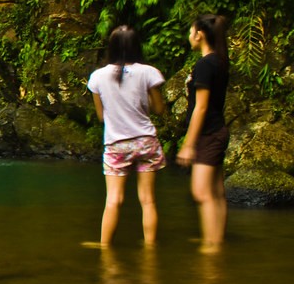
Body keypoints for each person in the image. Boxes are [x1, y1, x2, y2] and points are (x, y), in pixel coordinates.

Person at [87, 25, 166, 246]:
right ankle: (150, 248)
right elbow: (159, 109)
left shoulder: (97, 78)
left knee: (113, 200)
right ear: (136, 47)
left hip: (116, 144)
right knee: (148, 200)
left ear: (111, 48)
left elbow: (102, 117)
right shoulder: (149, 72)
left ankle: (105, 248)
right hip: (146, 142)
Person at [176, 14, 229, 251]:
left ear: (200, 34)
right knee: (216, 192)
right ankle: (216, 240)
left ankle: (211, 247)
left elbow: (201, 107)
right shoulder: (219, 61)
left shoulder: (205, 64)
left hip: (208, 134)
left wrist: (188, 144)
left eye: (191, 32)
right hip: (218, 130)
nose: (189, 36)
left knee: (201, 192)